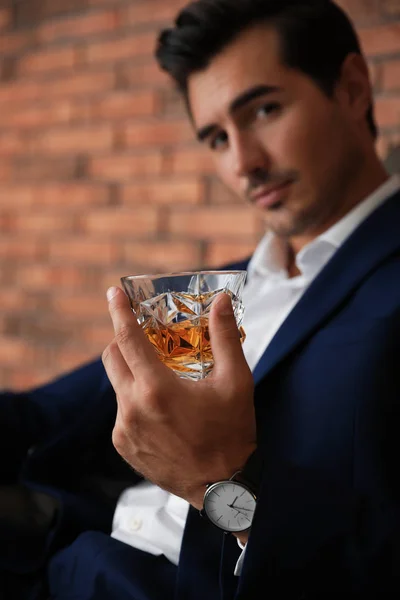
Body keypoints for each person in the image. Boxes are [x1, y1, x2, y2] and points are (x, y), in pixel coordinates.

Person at [1, 0, 400, 598]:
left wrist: (224, 480)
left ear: (350, 88)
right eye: (216, 137)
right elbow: (44, 416)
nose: (244, 164)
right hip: (64, 555)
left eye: (264, 110)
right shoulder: (214, 289)